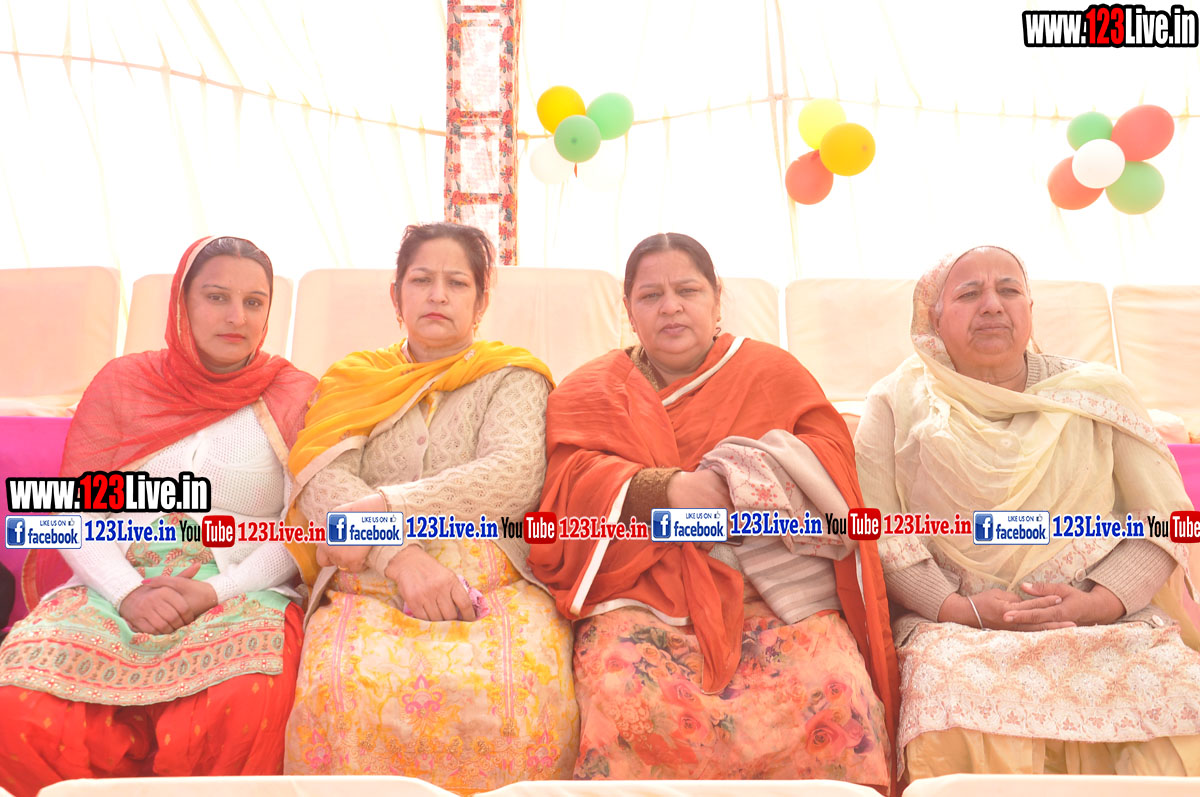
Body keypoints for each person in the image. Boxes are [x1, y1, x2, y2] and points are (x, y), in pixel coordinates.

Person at [528, 233, 897, 788]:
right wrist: (664, 488)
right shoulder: (591, 389)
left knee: (836, 691)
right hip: (643, 592)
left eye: (687, 290)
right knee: (620, 689)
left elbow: (830, 461)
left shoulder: (771, 370)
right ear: (628, 309)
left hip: (768, 589)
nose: (670, 307)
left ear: (717, 298)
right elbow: (567, 484)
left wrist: (743, 477)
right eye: (650, 296)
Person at [855, 245, 1200, 780]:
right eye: (969, 293)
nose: (992, 305)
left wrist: (1098, 603)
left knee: (1179, 699)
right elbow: (877, 529)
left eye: (1009, 290)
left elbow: (1166, 519)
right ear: (933, 319)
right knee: (948, 704)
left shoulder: (1098, 393)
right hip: (959, 629)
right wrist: (956, 609)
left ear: (1030, 309)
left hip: (1105, 620)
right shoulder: (895, 400)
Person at [0, 236, 316, 795]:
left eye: (254, 302)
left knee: (248, 701)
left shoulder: (293, 394)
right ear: (181, 302)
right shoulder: (125, 383)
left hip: (239, 584)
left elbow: (302, 527)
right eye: (216, 297)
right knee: (17, 705)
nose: (237, 317)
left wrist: (216, 590)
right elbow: (72, 511)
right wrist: (127, 592)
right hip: (114, 577)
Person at [283, 222, 577, 791]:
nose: (437, 295)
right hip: (370, 582)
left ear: (481, 301)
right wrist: (398, 556)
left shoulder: (513, 377)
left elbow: (514, 477)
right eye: (421, 280)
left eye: (457, 283)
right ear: (396, 296)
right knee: (339, 690)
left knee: (521, 696)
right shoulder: (354, 379)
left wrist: (386, 503)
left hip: (495, 583)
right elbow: (319, 483)